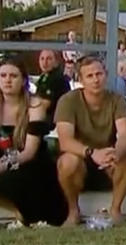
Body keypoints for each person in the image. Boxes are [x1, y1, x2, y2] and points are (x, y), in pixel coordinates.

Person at [54, 56, 126, 225]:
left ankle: (115, 210)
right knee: (67, 162)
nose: (95, 80)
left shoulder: (117, 100)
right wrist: (92, 153)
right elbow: (65, 141)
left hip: (108, 157)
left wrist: (116, 152)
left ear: (106, 75)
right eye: (89, 76)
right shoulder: (68, 101)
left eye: (99, 74)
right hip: (81, 157)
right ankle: (73, 211)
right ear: (81, 79)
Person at [0, 58, 68, 226]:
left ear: (23, 80)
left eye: (13, 76)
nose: (7, 80)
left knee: (12, 178)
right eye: (3, 75)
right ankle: (17, 212)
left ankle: (23, 214)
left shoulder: (35, 105)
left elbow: (30, 151)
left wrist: (5, 164)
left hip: (29, 162)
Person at [34, 49, 70, 123]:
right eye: (42, 58)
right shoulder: (44, 77)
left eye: (49, 59)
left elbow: (44, 105)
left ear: (56, 62)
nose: (45, 62)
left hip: (54, 121)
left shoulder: (56, 78)